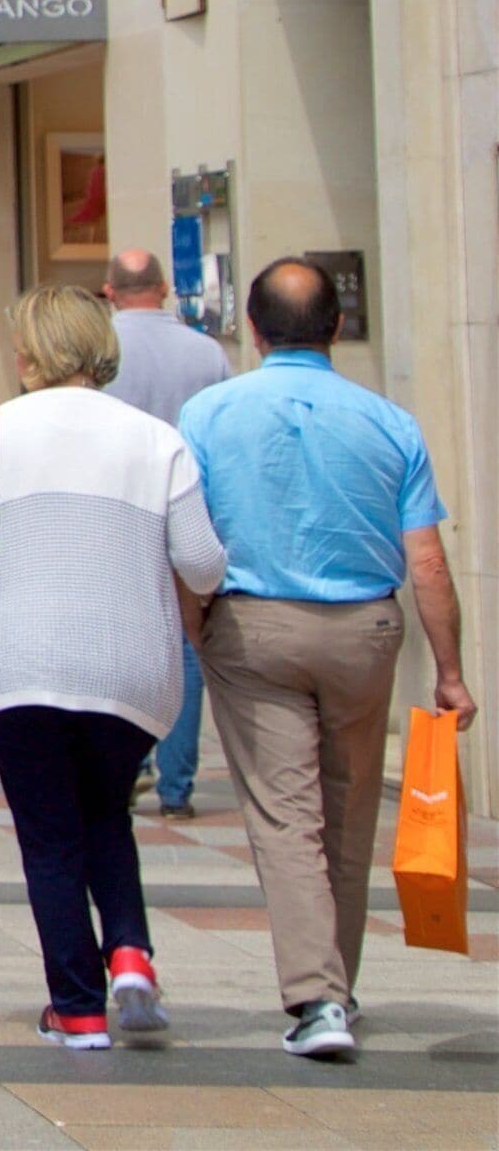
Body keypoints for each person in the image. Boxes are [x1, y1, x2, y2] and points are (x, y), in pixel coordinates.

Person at [181, 258, 475, 1061]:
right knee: (348, 815)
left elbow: (187, 544)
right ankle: (337, 984)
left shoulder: (207, 415)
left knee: (287, 816)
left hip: (253, 628)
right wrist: (449, 672)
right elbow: (428, 563)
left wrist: (192, 629)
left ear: (251, 327)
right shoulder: (390, 422)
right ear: (337, 329)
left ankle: (318, 1000)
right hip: (365, 634)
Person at [0, 285, 225, 1051]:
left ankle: (78, 1007)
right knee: (106, 810)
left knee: (48, 836)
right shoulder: (155, 438)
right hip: (129, 667)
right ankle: (129, 952)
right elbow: (200, 562)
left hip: (18, 664)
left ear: (31, 353)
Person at [103, 249, 232, 820]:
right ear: (162, 288)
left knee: (122, 641)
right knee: (185, 645)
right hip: (188, 510)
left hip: (116, 516)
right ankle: (177, 786)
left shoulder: (98, 350)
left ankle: (130, 763)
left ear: (110, 290)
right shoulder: (207, 353)